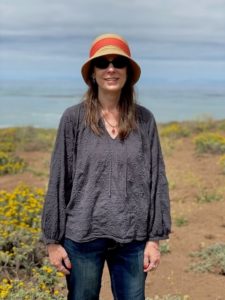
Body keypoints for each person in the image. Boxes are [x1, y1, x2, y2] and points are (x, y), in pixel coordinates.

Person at [41, 33, 171, 300]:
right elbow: (58, 179)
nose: (111, 69)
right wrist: (53, 241)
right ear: (93, 73)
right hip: (82, 236)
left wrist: (154, 239)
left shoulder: (145, 120)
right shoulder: (73, 119)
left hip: (133, 238)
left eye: (118, 63)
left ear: (127, 72)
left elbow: (157, 179)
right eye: (103, 63)